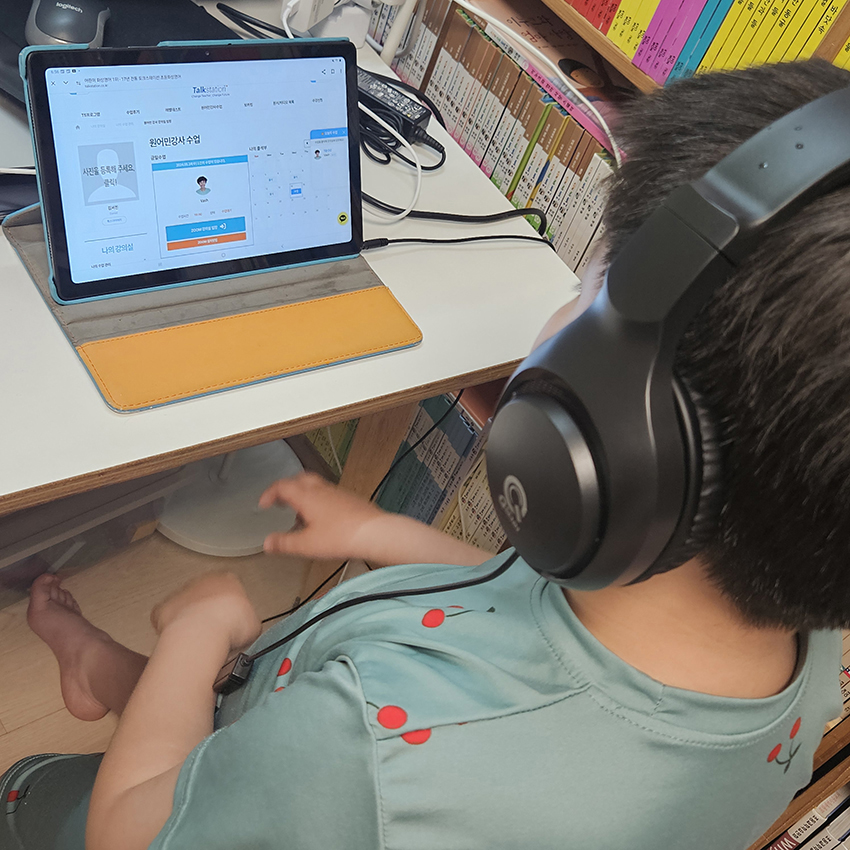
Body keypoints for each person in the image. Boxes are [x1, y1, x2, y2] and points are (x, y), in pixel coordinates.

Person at [5, 59, 850, 850]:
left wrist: (197, 629)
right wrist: (380, 533)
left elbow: (128, 829)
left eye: (587, 290)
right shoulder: (798, 668)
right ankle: (100, 668)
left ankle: (96, 699)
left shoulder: (363, 738)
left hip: (224, 790)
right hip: (289, 766)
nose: (567, 309)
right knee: (202, 696)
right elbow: (530, 614)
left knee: (74, 773)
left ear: (618, 416)